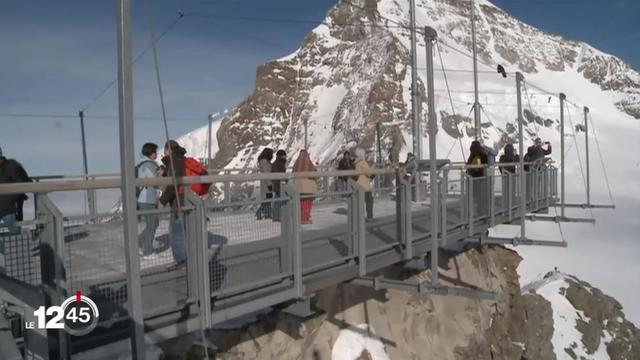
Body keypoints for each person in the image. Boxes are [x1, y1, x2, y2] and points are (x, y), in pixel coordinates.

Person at [158, 140, 187, 268]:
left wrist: (162, 200)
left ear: (168, 150)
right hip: (184, 199)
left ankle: (181, 261)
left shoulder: (174, 162)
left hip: (178, 201)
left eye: (165, 150)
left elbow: (173, 185)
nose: (163, 153)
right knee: (182, 230)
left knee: (176, 232)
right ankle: (185, 258)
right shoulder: (180, 159)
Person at [136, 142, 160, 256]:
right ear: (150, 152)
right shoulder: (149, 165)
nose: (156, 153)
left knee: (154, 222)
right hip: (147, 199)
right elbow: (154, 179)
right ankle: (148, 251)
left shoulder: (144, 164)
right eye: (155, 151)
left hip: (146, 198)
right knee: (152, 223)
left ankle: (142, 240)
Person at [0, 146, 30, 235]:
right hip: (7, 205)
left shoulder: (12, 165)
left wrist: (13, 198)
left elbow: (22, 183)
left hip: (7, 208)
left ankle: (26, 234)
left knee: (15, 231)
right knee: (15, 230)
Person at [292, 150, 317, 225]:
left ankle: (300, 217)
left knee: (300, 202)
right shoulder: (308, 163)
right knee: (307, 202)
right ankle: (304, 218)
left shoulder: (297, 162)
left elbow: (293, 172)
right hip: (307, 186)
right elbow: (314, 172)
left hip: (298, 186)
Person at [466, 141, 488, 216]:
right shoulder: (476, 155)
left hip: (479, 179)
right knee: (477, 198)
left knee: (479, 198)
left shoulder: (480, 155)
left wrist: (471, 167)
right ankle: (475, 214)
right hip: (476, 179)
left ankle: (480, 214)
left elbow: (478, 168)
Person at [354, 148, 374, 222]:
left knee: (360, 202)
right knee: (369, 201)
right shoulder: (363, 162)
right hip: (365, 185)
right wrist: (373, 168)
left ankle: (358, 216)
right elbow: (368, 173)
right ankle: (369, 217)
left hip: (358, 184)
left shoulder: (356, 162)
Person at [256, 148, 274, 220]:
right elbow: (266, 173)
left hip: (266, 182)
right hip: (266, 183)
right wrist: (269, 184)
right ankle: (263, 213)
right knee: (268, 198)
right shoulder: (264, 162)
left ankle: (266, 213)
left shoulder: (264, 161)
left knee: (268, 198)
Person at [271, 150, 287, 222]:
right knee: (281, 201)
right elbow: (282, 174)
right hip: (280, 184)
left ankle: (277, 216)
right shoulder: (281, 163)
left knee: (277, 200)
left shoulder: (276, 163)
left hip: (276, 184)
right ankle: (279, 216)